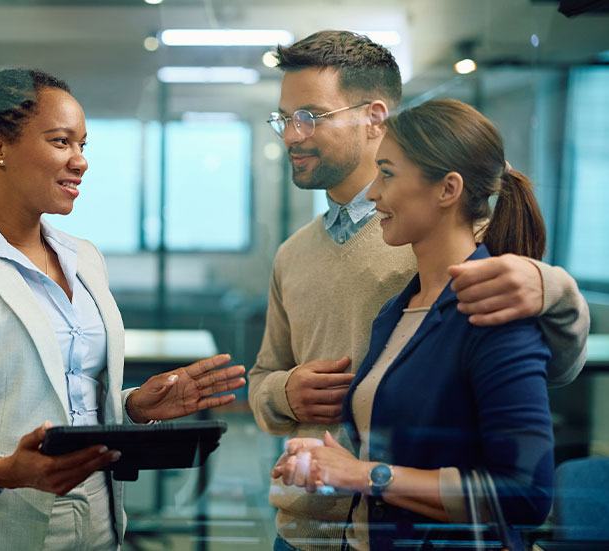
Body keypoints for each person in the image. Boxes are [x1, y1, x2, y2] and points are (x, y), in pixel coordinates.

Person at [0, 68, 246, 551]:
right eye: (62, 141)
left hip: (97, 525)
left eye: (83, 145)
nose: (80, 161)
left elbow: (67, 397)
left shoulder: (84, 257)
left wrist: (131, 408)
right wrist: (1, 471)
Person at [247, 31, 589, 551]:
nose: (291, 135)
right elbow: (263, 378)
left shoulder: (444, 235)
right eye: (285, 118)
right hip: (305, 530)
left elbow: (550, 370)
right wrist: (283, 392)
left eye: (311, 116)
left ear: (374, 117)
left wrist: (555, 287)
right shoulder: (293, 254)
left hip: (418, 525)